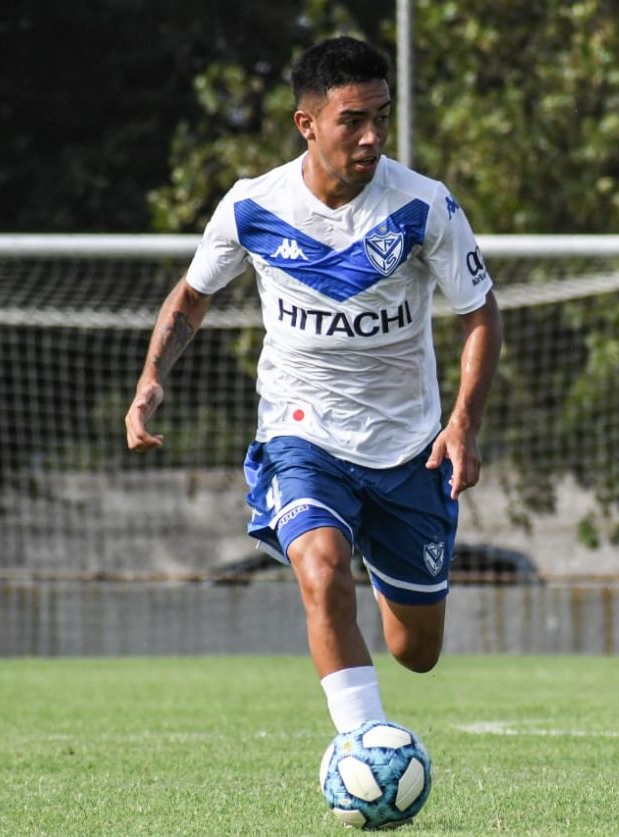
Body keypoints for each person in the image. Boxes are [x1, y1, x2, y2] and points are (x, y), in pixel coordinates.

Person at [124, 36, 502, 733]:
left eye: (380, 118)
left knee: (416, 650)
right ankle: (365, 743)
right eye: (352, 120)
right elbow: (192, 297)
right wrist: (151, 378)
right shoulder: (252, 207)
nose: (372, 136)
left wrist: (463, 423)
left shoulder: (424, 206)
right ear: (307, 123)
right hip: (302, 435)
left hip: (407, 447)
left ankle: (385, 562)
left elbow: (480, 312)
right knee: (322, 571)